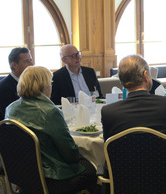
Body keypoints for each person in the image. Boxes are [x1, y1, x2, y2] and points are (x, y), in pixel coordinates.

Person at [5, 66, 99, 194]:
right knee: (92, 169)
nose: (51, 87)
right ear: (44, 87)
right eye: (50, 83)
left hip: (22, 175)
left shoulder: (11, 108)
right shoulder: (49, 112)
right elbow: (69, 153)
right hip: (50, 179)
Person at [101, 54, 166, 193]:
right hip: (163, 176)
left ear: (121, 80)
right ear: (146, 75)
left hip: (122, 180)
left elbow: (110, 144)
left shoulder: (108, 111)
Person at [0, 47, 33, 120]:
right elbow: (8, 117)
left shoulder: (32, 82)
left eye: (31, 60)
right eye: (26, 61)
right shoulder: (3, 88)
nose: (31, 64)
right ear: (14, 65)